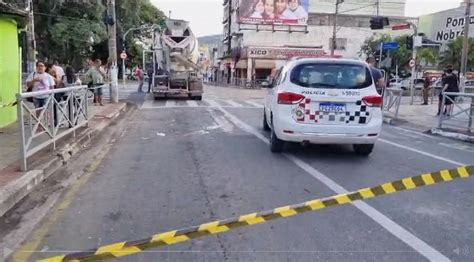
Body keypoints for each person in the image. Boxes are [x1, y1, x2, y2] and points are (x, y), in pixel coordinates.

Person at [26, 61, 55, 130]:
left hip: (46, 96)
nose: (40, 67)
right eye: (38, 66)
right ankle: (39, 125)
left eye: (42, 66)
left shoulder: (48, 76)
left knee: (45, 111)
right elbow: (28, 85)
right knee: (38, 111)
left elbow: (52, 87)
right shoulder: (32, 75)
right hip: (36, 96)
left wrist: (52, 96)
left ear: (45, 68)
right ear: (36, 67)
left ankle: (46, 124)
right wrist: (34, 80)